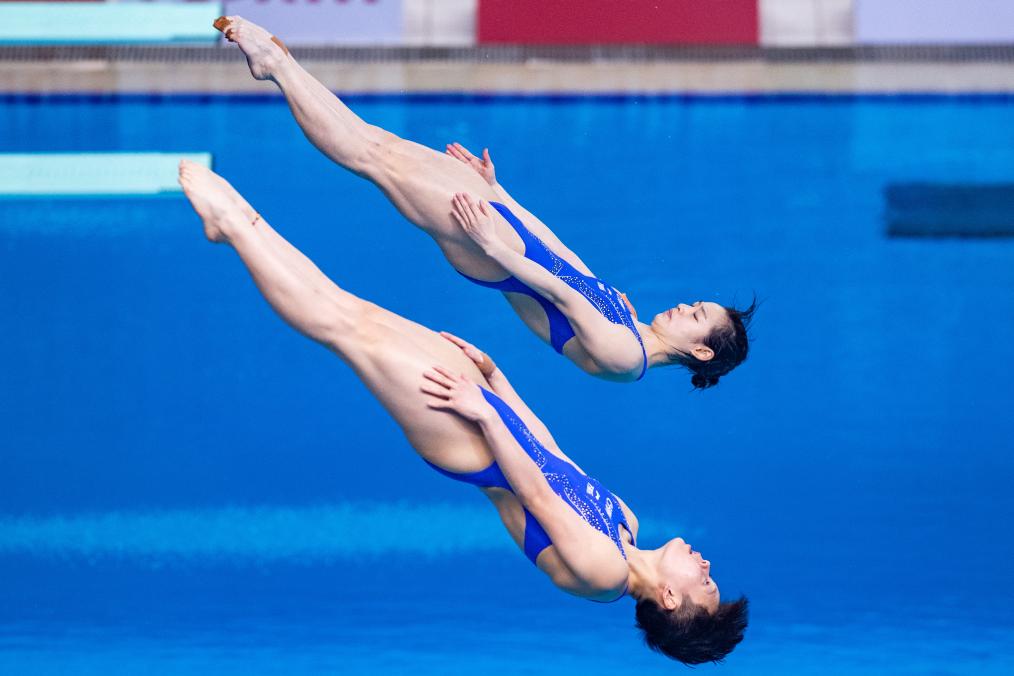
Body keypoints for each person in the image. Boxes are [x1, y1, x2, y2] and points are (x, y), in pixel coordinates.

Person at [177, 160, 747, 663]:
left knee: (344, 328)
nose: (705, 566)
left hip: (472, 444)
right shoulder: (625, 522)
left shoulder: (603, 576)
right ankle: (241, 225)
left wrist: (486, 413)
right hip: (490, 415)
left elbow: (536, 494)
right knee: (357, 314)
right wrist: (499, 383)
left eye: (705, 583)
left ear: (669, 599)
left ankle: (235, 226)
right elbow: (550, 455)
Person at [212, 16, 755, 388]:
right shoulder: (629, 321)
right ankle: (283, 68)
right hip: (503, 232)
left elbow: (554, 290)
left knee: (369, 157)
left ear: (701, 351)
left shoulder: (624, 358)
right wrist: (499, 191)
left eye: (696, 315)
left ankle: (277, 67)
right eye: (696, 302)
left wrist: (494, 245)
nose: (685, 305)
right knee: (380, 145)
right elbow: (565, 259)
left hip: (492, 249)